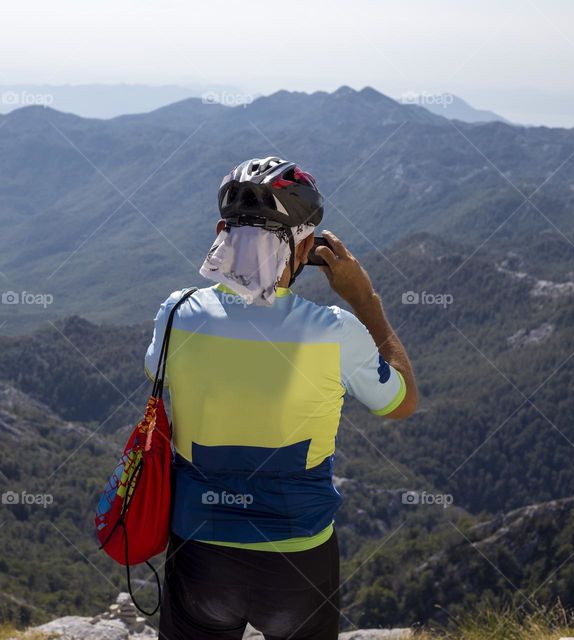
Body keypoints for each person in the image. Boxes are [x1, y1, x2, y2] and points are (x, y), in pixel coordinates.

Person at [145, 157, 417, 639]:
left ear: (221, 232)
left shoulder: (178, 313)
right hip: (296, 556)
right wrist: (365, 299)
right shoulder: (334, 331)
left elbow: (158, 372)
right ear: (308, 245)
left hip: (198, 547)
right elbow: (400, 402)